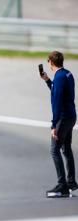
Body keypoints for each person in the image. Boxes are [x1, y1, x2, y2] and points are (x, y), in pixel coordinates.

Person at [40, 51, 77, 198]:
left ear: (50, 62)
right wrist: (48, 81)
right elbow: (59, 93)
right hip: (71, 116)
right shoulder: (67, 74)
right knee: (66, 149)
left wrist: (53, 125)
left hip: (62, 117)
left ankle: (62, 185)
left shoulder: (60, 77)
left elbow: (56, 101)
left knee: (54, 150)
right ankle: (71, 182)